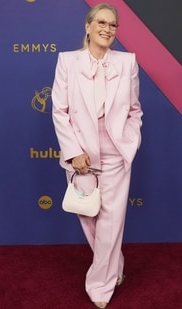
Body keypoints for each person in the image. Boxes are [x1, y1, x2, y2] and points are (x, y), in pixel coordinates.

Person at [51, 3, 143, 308]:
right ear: (88, 27)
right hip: (82, 156)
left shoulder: (128, 62)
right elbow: (60, 111)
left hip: (116, 153)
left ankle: (99, 287)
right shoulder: (67, 61)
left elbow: (134, 110)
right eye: (101, 22)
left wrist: (131, 140)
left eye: (113, 25)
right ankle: (114, 266)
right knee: (88, 215)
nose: (107, 29)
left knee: (111, 221)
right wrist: (74, 151)